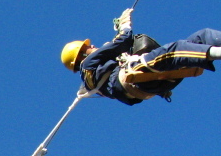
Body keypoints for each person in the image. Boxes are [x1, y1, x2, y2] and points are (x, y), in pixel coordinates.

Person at [61, 10, 221, 105]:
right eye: (88, 47)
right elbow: (125, 41)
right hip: (137, 74)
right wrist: (125, 26)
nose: (93, 46)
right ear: (81, 54)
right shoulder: (88, 63)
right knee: (175, 50)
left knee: (201, 37)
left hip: (151, 84)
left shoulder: (93, 85)